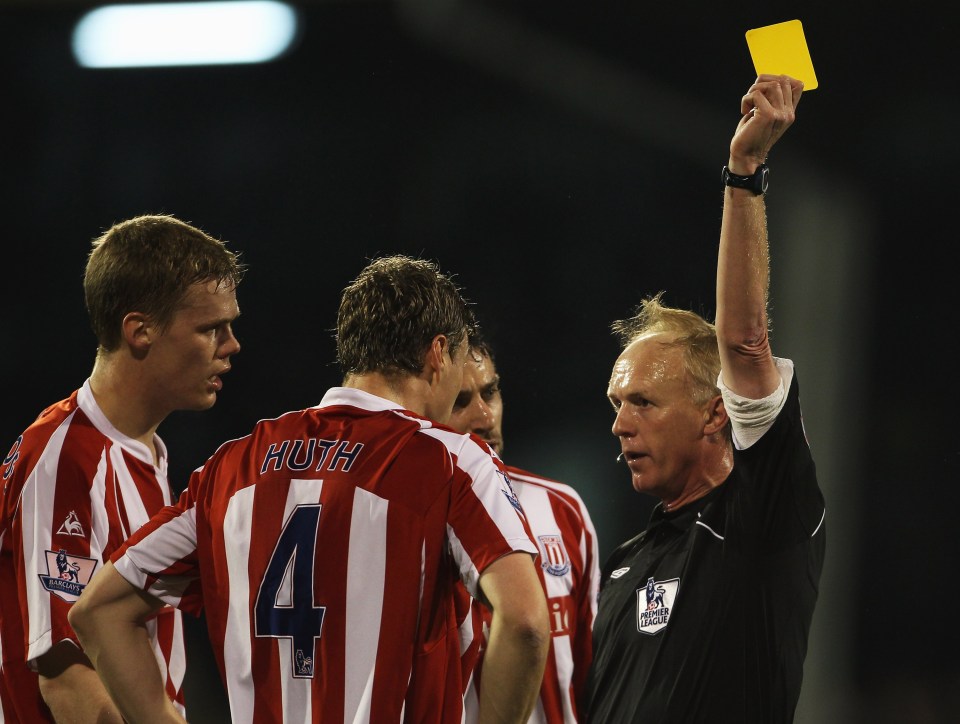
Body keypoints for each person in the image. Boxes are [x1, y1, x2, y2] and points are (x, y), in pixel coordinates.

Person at [68, 254, 550, 723]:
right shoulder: (450, 459)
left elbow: (97, 611)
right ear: (438, 354)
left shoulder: (233, 467)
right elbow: (526, 624)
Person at [582, 75, 826, 723]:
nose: (619, 425)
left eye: (643, 403)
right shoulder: (625, 565)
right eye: (615, 404)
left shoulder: (762, 516)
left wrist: (744, 170)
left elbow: (744, 345)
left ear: (716, 410)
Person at [0, 214, 244, 722]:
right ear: (140, 331)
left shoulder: (146, 449)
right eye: (210, 329)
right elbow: (67, 681)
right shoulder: (65, 458)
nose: (231, 346)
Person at [448, 339, 600, 723]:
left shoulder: (563, 510)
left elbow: (594, 675)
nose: (484, 417)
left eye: (491, 392)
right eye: (460, 401)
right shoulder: (404, 522)